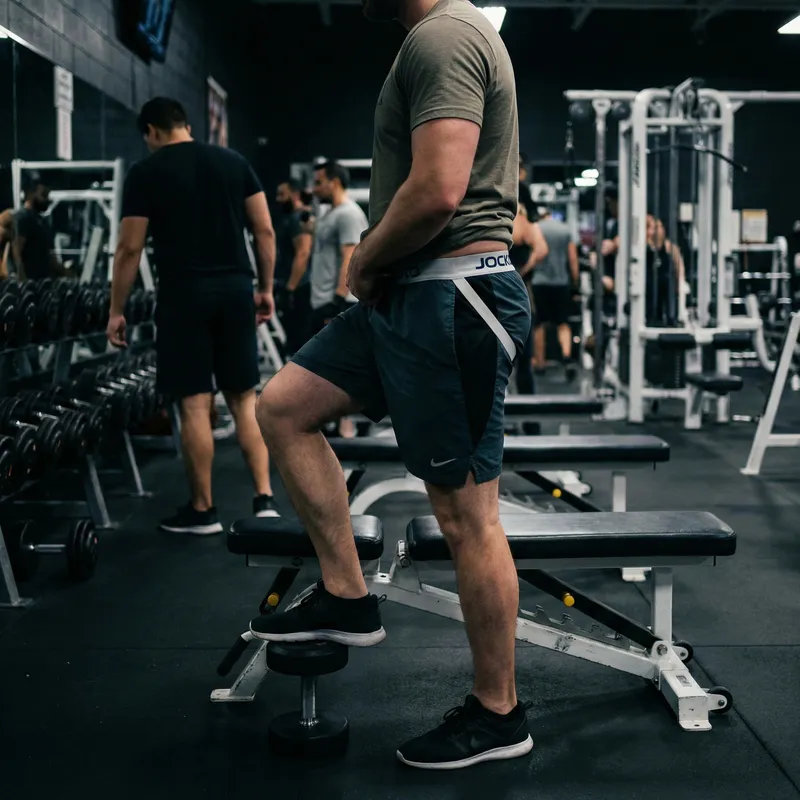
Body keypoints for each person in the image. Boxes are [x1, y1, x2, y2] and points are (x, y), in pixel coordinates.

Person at [252, 0, 532, 771]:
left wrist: (367, 257)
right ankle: (347, 592)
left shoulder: (444, 36)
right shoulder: (428, 40)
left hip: (450, 296)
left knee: (467, 514)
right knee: (284, 407)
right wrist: (380, 272)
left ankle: (498, 713)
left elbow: (441, 188)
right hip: (402, 298)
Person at [106, 97, 279, 535]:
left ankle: (203, 511)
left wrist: (117, 310)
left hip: (184, 296)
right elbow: (264, 230)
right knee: (244, 397)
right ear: (184, 124)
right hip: (235, 290)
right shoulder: (233, 161)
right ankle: (264, 499)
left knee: (195, 403)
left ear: (151, 131)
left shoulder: (146, 172)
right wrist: (265, 288)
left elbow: (129, 248)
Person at [308, 161, 368, 335]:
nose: (314, 189)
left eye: (319, 183)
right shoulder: (329, 214)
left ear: (334, 183)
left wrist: (338, 301)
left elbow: (350, 258)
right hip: (320, 302)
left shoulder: (348, 214)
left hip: (335, 303)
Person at [531, 205, 580, 380]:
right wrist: (575, 283)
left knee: (540, 323)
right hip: (561, 282)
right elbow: (572, 258)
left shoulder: (535, 228)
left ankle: (540, 363)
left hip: (539, 281)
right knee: (563, 322)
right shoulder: (565, 230)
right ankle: (566, 357)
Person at [510, 202, 548, 395]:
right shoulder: (527, 226)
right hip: (519, 295)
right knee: (522, 361)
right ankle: (528, 423)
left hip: (511, 295)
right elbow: (541, 250)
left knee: (513, 361)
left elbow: (541, 250)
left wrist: (521, 272)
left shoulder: (513, 223)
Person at [274, 179, 313, 354]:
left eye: (282, 194)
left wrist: (290, 288)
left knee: (299, 343)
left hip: (299, 287)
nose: (278, 199)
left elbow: (303, 253)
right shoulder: (290, 218)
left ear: (295, 195)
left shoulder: (299, 218)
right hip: (290, 285)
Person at [11, 180, 71, 281]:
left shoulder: (42, 222)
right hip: (29, 282)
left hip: (43, 281)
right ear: (30, 194)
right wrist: (22, 279)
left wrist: (65, 272)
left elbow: (50, 254)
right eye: (43, 195)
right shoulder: (22, 218)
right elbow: (16, 250)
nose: (47, 199)